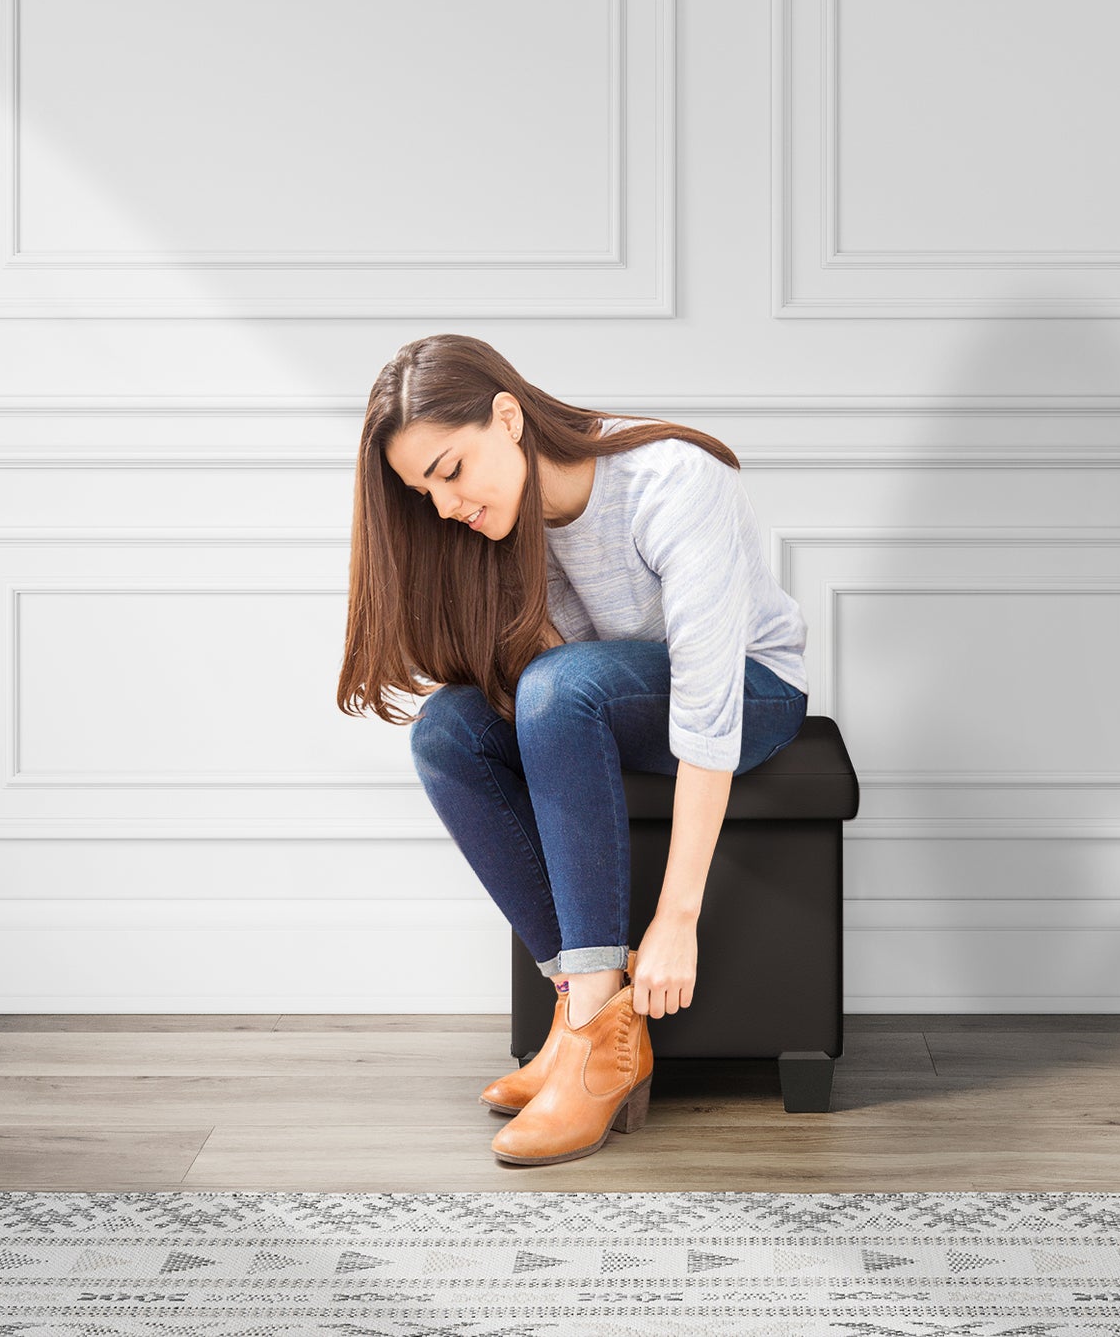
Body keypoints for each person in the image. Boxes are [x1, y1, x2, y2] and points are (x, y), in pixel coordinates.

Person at [336, 334, 810, 1165]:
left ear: (507, 417)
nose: (444, 505)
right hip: (610, 695)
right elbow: (535, 690)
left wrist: (676, 917)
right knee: (447, 731)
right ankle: (583, 1014)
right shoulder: (504, 529)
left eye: (450, 469)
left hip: (750, 688)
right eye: (423, 491)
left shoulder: (670, 480)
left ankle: (593, 1038)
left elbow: (704, 700)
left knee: (561, 687)